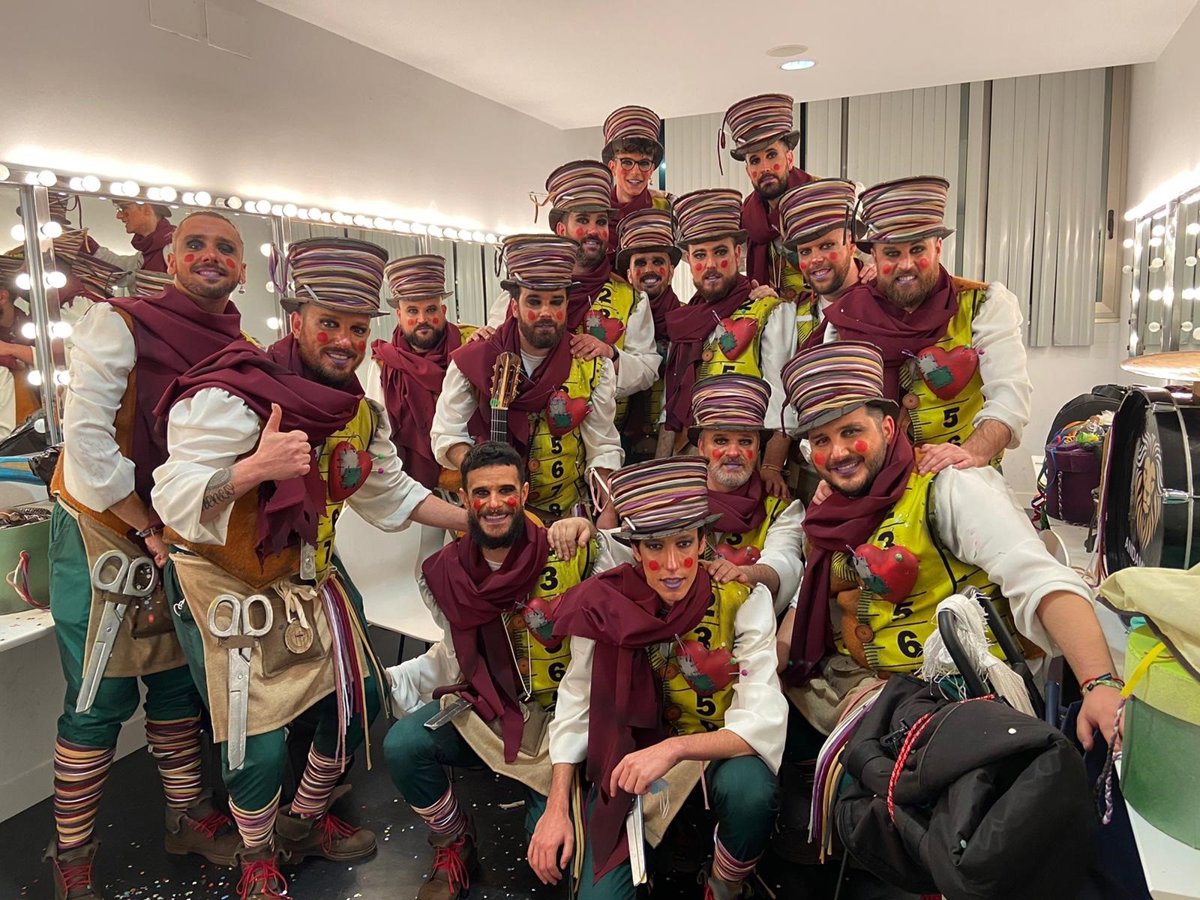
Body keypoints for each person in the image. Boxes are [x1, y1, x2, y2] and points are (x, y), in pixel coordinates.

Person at [152, 236, 469, 897]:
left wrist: (480, 523)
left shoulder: (357, 413)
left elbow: (391, 492)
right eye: (330, 323)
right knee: (256, 741)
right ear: (296, 320)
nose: (345, 341)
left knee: (363, 699)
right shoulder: (231, 397)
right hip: (226, 588)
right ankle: (257, 858)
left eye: (356, 328)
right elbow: (173, 498)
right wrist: (253, 470)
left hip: (309, 578)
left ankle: (301, 820)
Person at [43, 211, 250, 899]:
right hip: (106, 525)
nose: (210, 255)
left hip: (175, 530)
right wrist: (145, 527)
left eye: (225, 247)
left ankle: (186, 817)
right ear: (173, 259)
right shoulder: (117, 323)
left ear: (242, 268)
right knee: (97, 695)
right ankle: (72, 855)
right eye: (196, 244)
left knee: (176, 682)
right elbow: (87, 442)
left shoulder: (239, 343)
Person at [776, 341, 1123, 749]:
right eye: (821, 440)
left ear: (887, 428)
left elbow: (1037, 577)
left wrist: (1098, 682)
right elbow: (806, 599)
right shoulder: (828, 511)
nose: (838, 452)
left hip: (963, 702)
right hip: (867, 698)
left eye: (852, 431)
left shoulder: (949, 484)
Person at [530, 456, 785, 900]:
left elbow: (761, 721)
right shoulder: (605, 605)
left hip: (710, 756)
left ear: (703, 542)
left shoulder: (743, 599)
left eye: (683, 543)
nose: (671, 565)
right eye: (653, 546)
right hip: (626, 762)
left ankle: (725, 883)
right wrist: (556, 808)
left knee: (751, 789)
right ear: (634, 550)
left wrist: (673, 749)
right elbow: (576, 704)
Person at [383, 441, 597, 900]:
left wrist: (587, 525)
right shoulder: (443, 572)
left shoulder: (569, 552)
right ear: (463, 499)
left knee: (560, 859)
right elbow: (454, 654)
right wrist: (397, 681)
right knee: (403, 745)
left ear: (525, 493)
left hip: (564, 717)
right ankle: (454, 841)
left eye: (506, 490)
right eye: (482, 492)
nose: (495, 503)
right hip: (491, 709)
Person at [816, 176, 1032, 474]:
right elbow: (832, 413)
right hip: (878, 483)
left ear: (938, 248)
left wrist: (970, 453)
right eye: (892, 253)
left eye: (917, 249)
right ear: (874, 256)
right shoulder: (846, 319)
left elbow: (1010, 397)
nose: (906, 264)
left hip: (968, 479)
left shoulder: (984, 304)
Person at [433, 234, 623, 523]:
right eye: (534, 301)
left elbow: (603, 446)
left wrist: (607, 509)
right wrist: (483, 469)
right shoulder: (472, 360)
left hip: (568, 519)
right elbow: (446, 434)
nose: (546, 312)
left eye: (556, 302)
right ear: (514, 306)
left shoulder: (593, 365)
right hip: (493, 516)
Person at [486, 161, 659, 430]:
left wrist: (611, 355)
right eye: (582, 220)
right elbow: (494, 356)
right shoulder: (518, 296)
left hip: (605, 435)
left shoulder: (632, 299)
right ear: (561, 229)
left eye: (601, 222)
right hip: (522, 435)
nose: (594, 231)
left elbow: (648, 370)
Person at [661, 189, 793, 498]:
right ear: (688, 261)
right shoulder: (685, 319)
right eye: (700, 255)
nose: (710, 264)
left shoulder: (768, 310)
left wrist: (771, 466)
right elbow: (671, 400)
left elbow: (781, 397)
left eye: (720, 252)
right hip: (685, 462)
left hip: (743, 464)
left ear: (738, 253)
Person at [364, 253, 473, 569]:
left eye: (430, 310)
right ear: (398, 315)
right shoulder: (382, 364)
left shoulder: (469, 348)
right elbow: (378, 431)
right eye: (412, 311)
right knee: (423, 566)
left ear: (443, 311)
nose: (423, 319)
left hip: (465, 477)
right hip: (411, 482)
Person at [724, 93, 814, 298]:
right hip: (772, 313)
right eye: (755, 161)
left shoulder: (824, 198)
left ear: (789, 159)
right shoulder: (746, 218)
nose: (764, 168)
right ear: (748, 171)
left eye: (772, 155)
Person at [613, 207, 681, 462]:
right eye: (640, 263)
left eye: (658, 262)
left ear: (671, 270)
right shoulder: (614, 321)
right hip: (615, 442)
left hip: (673, 445)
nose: (649, 269)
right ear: (629, 274)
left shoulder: (690, 319)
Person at [777, 178, 865, 347]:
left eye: (826, 246)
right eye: (805, 251)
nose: (815, 259)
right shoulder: (790, 316)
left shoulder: (883, 302)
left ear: (851, 243)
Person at [600, 105, 671, 258]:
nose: (636, 172)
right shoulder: (596, 211)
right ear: (612, 167)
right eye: (626, 162)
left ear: (652, 169)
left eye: (644, 163)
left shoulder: (667, 208)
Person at [89, 200, 176, 275]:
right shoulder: (148, 251)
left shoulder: (174, 248)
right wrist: (92, 249)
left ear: (146, 209)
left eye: (124, 208)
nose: (118, 216)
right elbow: (124, 270)